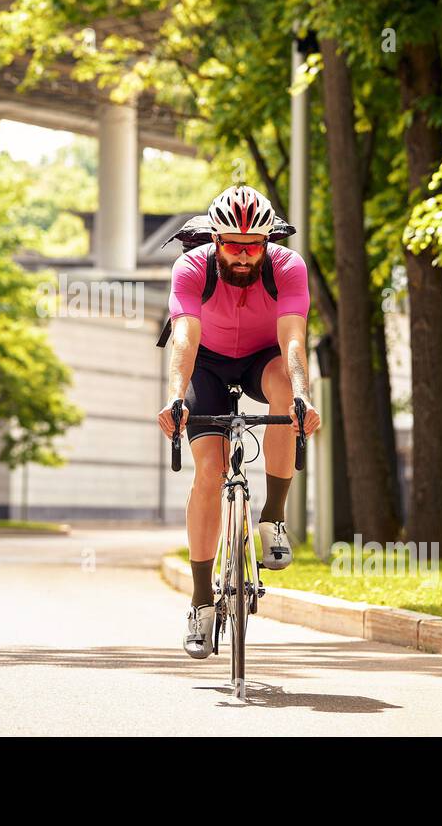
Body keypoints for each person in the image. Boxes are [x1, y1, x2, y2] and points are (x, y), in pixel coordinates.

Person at [156, 185, 322, 659]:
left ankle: (273, 518)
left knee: (285, 399)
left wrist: (302, 396)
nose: (245, 256)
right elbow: (184, 336)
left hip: (261, 359)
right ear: (215, 238)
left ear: (270, 241)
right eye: (233, 245)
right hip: (205, 365)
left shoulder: (288, 267)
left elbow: (292, 338)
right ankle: (202, 602)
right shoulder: (191, 267)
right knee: (209, 471)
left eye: (254, 246)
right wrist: (174, 397)